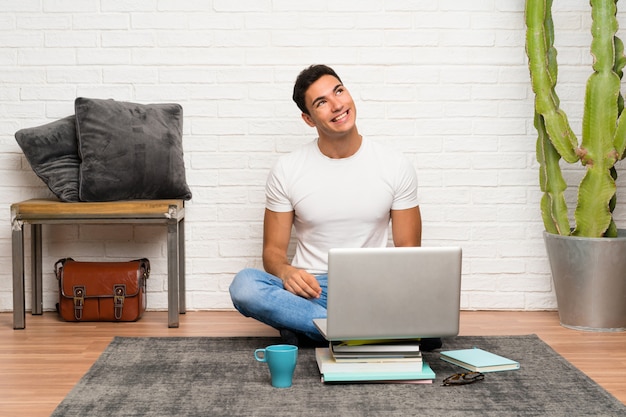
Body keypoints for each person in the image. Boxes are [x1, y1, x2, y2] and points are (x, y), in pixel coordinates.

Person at [229, 64, 432, 348]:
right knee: (245, 285)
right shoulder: (287, 169)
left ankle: (312, 327)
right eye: (321, 102)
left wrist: (392, 294)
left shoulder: (395, 165)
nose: (337, 105)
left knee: (431, 294)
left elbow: (409, 252)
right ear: (308, 119)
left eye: (339, 91)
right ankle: (363, 333)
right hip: (313, 289)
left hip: (373, 287)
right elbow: (273, 253)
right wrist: (288, 273)